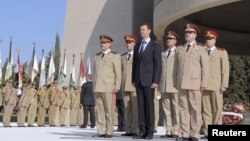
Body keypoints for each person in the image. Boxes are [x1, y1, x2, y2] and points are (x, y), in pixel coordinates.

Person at [174, 23, 209, 141]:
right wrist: (175, 81)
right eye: (186, 32)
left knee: (195, 109)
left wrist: (204, 83)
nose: (187, 34)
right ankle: (185, 133)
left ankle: (194, 133)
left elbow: (205, 67)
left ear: (195, 35)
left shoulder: (201, 49)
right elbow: (175, 68)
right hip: (181, 83)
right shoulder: (179, 49)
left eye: (190, 32)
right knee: (183, 108)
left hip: (195, 83)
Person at [132, 23, 162, 140]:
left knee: (149, 106)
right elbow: (135, 64)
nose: (141, 31)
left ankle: (150, 132)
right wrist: (133, 79)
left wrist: (155, 80)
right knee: (141, 106)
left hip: (149, 81)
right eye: (140, 29)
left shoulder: (155, 46)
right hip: (139, 80)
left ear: (149, 31)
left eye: (143, 29)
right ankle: (142, 131)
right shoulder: (137, 45)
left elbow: (157, 64)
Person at [201, 30, 229, 139]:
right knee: (206, 110)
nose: (208, 40)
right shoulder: (201, 51)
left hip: (217, 85)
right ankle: (207, 132)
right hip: (204, 85)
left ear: (215, 40)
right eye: (207, 38)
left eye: (211, 38)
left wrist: (224, 85)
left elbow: (225, 70)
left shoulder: (221, 52)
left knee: (217, 109)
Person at [93, 35, 121, 138]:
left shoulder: (115, 56)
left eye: (104, 43)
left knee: (109, 110)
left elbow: (118, 72)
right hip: (97, 87)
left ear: (109, 44)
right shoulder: (97, 56)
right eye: (101, 43)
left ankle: (109, 130)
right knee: (99, 110)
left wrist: (117, 85)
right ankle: (101, 130)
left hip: (109, 87)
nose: (102, 44)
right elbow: (95, 73)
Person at [159, 31, 180, 138]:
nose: (168, 40)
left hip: (175, 84)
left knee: (176, 108)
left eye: (171, 38)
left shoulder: (179, 52)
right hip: (164, 84)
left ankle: (176, 129)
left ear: (175, 40)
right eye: (167, 39)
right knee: (166, 108)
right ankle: (168, 130)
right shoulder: (162, 53)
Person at [121, 34, 139, 137]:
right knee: (127, 108)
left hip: (134, 86)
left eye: (130, 42)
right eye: (126, 43)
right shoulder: (122, 56)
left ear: (134, 43)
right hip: (124, 85)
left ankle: (135, 129)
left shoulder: (138, 55)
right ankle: (128, 129)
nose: (128, 44)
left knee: (135, 109)